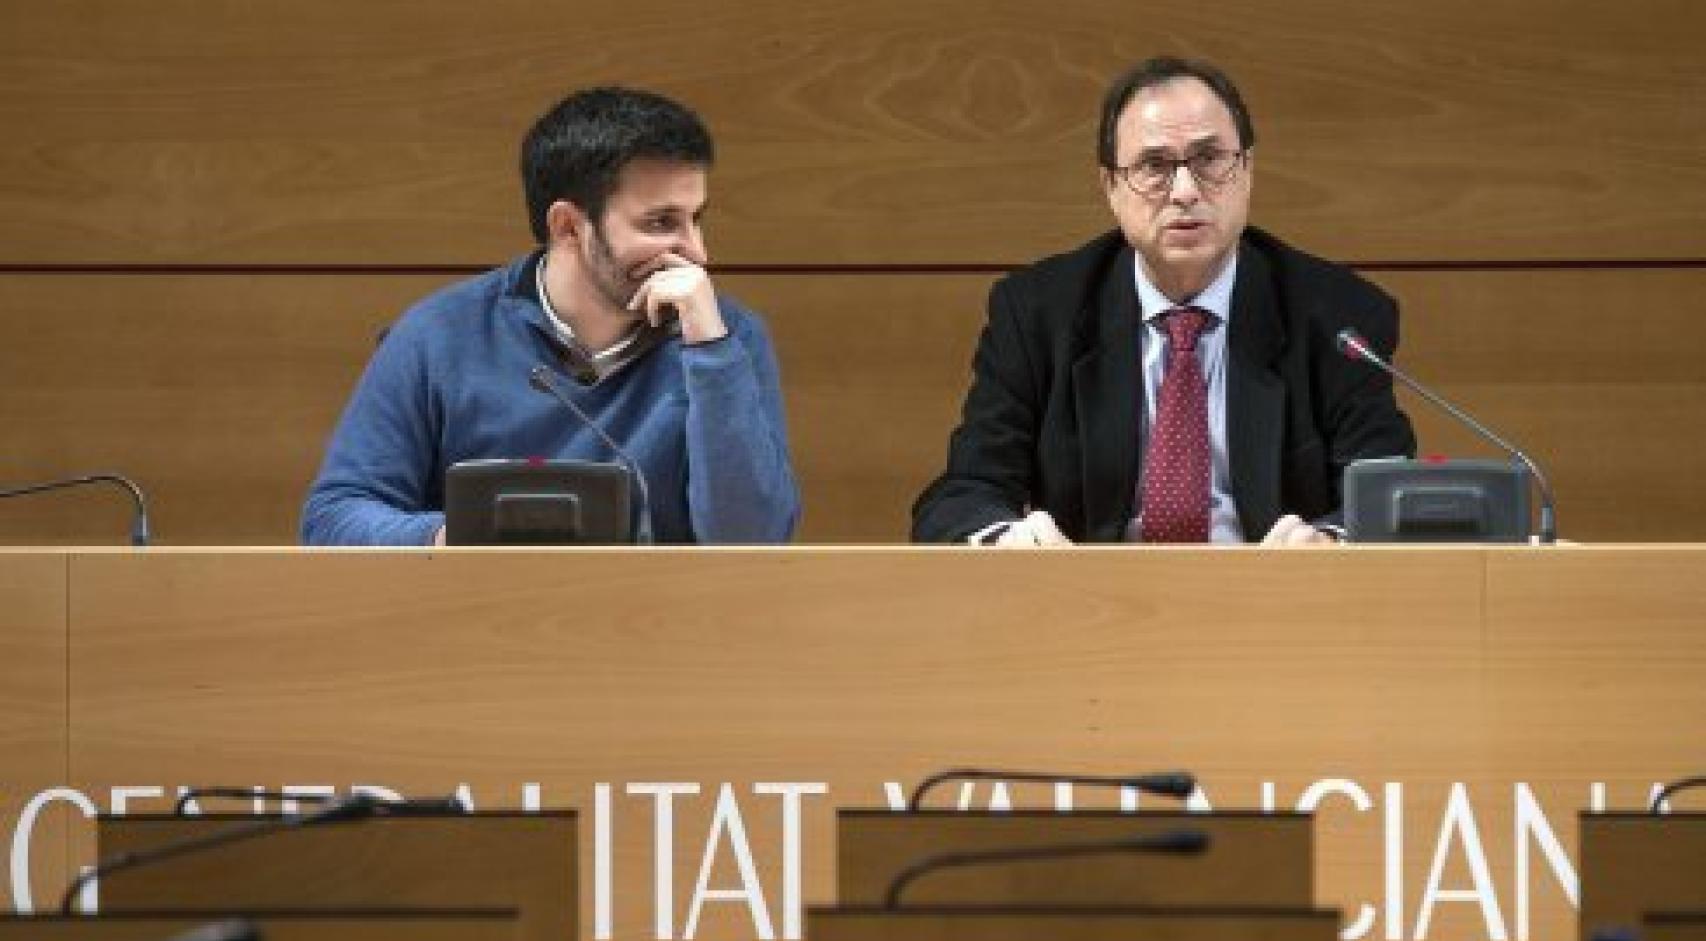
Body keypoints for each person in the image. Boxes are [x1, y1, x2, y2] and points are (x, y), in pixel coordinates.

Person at [912, 56, 1414, 547]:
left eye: (1209, 160)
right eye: (1155, 166)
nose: (1185, 191)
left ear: (1248, 171)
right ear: (1111, 186)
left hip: (1274, 605)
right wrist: (1008, 542)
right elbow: (963, 496)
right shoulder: (1040, 313)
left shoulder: (1337, 314)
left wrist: (1331, 541)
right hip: (1092, 608)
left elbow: (1385, 496)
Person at [303, 87, 799, 545]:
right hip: (479, 623)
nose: (697, 253)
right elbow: (333, 518)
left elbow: (753, 542)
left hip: (665, 626)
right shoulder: (438, 335)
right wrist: (461, 537)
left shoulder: (724, 337)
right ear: (567, 226)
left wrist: (710, 353)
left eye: (697, 219)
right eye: (661, 223)